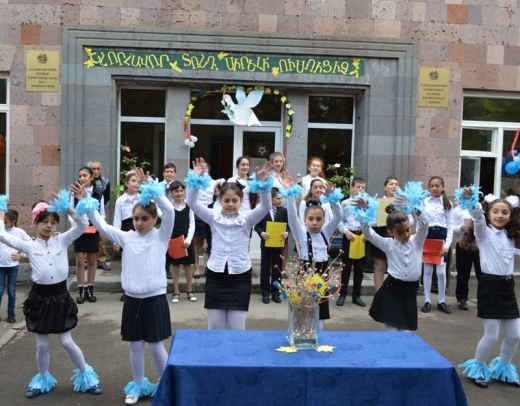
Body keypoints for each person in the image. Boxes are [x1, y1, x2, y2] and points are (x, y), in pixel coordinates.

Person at [72, 168, 175, 405]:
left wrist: (151, 190)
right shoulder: (126, 237)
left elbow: (169, 211)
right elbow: (101, 225)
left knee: (156, 345)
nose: (139, 223)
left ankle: (165, 384)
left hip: (155, 298)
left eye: (145, 219)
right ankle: (138, 384)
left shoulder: (161, 237)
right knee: (136, 345)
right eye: (136, 218)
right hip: (131, 299)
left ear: (154, 220)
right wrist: (86, 199)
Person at [0, 195, 103, 398]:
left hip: (60, 297)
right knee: (42, 345)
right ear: (35, 223)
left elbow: (83, 224)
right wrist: (2, 214)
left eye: (53, 222)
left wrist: (68, 208)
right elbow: (3, 236)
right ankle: (42, 378)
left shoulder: (62, 240)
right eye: (44, 221)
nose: (49, 226)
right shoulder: (29, 245)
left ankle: (87, 375)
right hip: (39, 299)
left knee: (67, 342)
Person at [186, 157, 273, 330]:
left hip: (240, 277)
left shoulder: (247, 218)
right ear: (220, 199)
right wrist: (196, 180)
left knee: (237, 328)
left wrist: (263, 186)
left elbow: (265, 207)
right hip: (216, 277)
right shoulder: (213, 216)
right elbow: (192, 203)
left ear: (241, 201)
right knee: (215, 327)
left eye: (235, 200)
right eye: (226, 200)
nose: (231, 204)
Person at [457, 189, 520, 389]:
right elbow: (477, 217)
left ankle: (503, 368)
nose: (500, 216)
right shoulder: (483, 233)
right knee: (492, 335)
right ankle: (478, 367)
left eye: (504, 212)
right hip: (489, 287)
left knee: (515, 335)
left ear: (510, 215)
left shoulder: (511, 236)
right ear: (489, 213)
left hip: (507, 287)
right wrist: (472, 201)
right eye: (496, 211)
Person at [355, 199, 428, 331]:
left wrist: (414, 207)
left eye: (407, 230)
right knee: (391, 330)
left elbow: (424, 222)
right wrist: (363, 211)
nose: (406, 234)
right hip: (393, 289)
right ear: (390, 232)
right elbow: (369, 233)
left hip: (410, 291)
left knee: (405, 331)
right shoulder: (388, 244)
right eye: (400, 232)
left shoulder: (417, 241)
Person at [282, 174, 342, 330]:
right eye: (311, 219)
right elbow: (292, 217)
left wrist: (332, 198)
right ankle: (299, 333)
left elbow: (338, 216)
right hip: (305, 275)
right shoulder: (300, 233)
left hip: (322, 276)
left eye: (318, 219)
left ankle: (317, 335)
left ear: (324, 220)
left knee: (320, 309)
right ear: (304, 220)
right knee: (302, 308)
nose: (314, 223)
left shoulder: (326, 231)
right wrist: (290, 194)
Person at [71, 166, 105, 304]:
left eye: (85, 175)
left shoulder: (98, 194)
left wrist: (98, 225)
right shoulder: (74, 193)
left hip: (92, 230)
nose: (82, 178)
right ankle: (80, 289)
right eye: (80, 176)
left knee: (92, 261)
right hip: (79, 230)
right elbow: (71, 211)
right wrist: (74, 222)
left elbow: (102, 213)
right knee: (80, 261)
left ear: (91, 177)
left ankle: (90, 289)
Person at [421, 176, 453, 314]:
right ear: (428, 187)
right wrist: (420, 241)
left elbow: (450, 226)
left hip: (441, 236)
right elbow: (420, 222)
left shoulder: (448, 203)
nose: (434, 188)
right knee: (427, 270)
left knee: (441, 272)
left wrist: (447, 245)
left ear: (442, 187)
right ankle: (427, 300)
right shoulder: (424, 202)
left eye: (437, 186)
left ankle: (441, 301)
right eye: (432, 186)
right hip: (427, 235)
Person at [336, 177, 368, 307]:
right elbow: (340, 220)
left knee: (359, 268)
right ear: (352, 188)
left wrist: (367, 233)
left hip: (362, 236)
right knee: (346, 267)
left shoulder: (368, 203)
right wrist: (345, 231)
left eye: (363, 187)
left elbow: (372, 219)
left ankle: (356, 295)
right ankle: (342, 294)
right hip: (350, 236)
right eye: (358, 187)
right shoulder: (345, 203)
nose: (360, 190)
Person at [255, 187, 289, 304]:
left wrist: (287, 232)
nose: (280, 200)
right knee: (265, 268)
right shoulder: (262, 210)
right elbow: (257, 226)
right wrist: (261, 233)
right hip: (266, 243)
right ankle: (265, 293)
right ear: (270, 198)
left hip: (278, 244)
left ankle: (276, 292)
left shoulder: (283, 211)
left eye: (280, 198)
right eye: (277, 198)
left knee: (277, 268)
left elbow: (288, 226)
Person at [113, 171, 140, 302]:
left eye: (137, 181)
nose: (136, 183)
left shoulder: (142, 198)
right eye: (133, 181)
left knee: (139, 260)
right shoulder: (120, 200)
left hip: (139, 229)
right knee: (127, 262)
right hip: (126, 229)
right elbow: (117, 220)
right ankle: (127, 289)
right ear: (126, 183)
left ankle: (139, 287)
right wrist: (116, 240)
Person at [168, 181, 197, 304]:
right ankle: (176, 291)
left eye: (181, 190)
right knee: (175, 266)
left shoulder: (189, 206)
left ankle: (189, 290)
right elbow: (167, 224)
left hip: (186, 240)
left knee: (187, 266)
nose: (179, 193)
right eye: (176, 191)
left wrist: (188, 239)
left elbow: (192, 224)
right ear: (171, 193)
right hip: (174, 239)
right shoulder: (169, 207)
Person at [0, 209, 31, 323]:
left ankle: (11, 314)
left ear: (13, 222)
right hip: (0, 266)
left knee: (11, 290)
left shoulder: (19, 232)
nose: (3, 224)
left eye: (5, 222)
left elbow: (30, 245)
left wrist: (21, 255)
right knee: (0, 291)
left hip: (13, 266)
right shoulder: (1, 230)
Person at [372, 176, 400, 292]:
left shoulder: (401, 202)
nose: (394, 186)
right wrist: (382, 219)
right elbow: (370, 221)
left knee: (396, 265)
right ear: (385, 187)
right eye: (391, 184)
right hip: (381, 233)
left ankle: (393, 293)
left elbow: (411, 221)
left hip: (398, 235)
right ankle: (379, 294)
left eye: (396, 184)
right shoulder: (377, 202)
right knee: (380, 265)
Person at [452, 203, 482, 311]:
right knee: (463, 273)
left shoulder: (478, 206)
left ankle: (483, 299)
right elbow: (451, 227)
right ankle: (461, 298)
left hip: (479, 245)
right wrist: (461, 227)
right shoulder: (457, 210)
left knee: (481, 273)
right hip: (463, 244)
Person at [192, 161, 216, 279]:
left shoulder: (214, 183)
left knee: (210, 242)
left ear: (209, 169)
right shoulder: (195, 183)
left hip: (210, 214)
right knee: (196, 242)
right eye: (201, 167)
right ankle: (196, 267)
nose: (204, 169)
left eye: (205, 167)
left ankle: (209, 267)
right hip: (197, 213)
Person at [90, 160, 112, 271]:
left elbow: (107, 197)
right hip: (84, 214)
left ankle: (101, 260)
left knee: (100, 238)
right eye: (93, 169)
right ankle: (85, 262)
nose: (96, 171)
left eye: (98, 168)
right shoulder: (84, 180)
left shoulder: (105, 182)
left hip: (99, 212)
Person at [159, 162, 177, 279]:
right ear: (163, 173)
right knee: (161, 241)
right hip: (159, 217)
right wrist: (160, 214)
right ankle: (160, 266)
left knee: (170, 242)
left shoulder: (177, 186)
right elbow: (154, 201)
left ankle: (167, 267)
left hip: (173, 218)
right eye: (167, 171)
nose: (169, 174)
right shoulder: (158, 186)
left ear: (175, 174)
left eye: (171, 172)